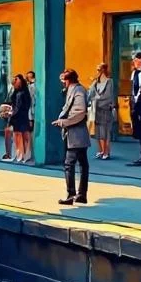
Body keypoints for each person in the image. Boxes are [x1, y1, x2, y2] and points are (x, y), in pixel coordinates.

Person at [53, 69, 91, 204]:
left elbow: (80, 112)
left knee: (69, 164)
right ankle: (81, 195)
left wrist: (64, 122)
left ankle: (71, 194)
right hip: (77, 134)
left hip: (76, 134)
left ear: (68, 80)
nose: (62, 83)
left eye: (63, 80)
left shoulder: (78, 91)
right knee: (83, 164)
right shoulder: (73, 90)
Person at [90, 63, 117, 160]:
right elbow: (90, 94)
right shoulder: (95, 82)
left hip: (105, 109)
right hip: (96, 110)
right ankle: (100, 150)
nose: (97, 71)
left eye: (98, 69)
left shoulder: (109, 81)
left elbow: (108, 96)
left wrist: (96, 99)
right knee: (98, 132)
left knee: (105, 132)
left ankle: (106, 152)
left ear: (103, 70)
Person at [6, 74, 32, 164]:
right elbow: (13, 103)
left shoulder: (24, 92)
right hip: (16, 117)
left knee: (24, 135)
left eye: (16, 80)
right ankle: (19, 155)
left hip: (22, 116)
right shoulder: (15, 91)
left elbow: (24, 106)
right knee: (17, 135)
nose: (14, 82)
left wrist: (12, 113)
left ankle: (25, 155)